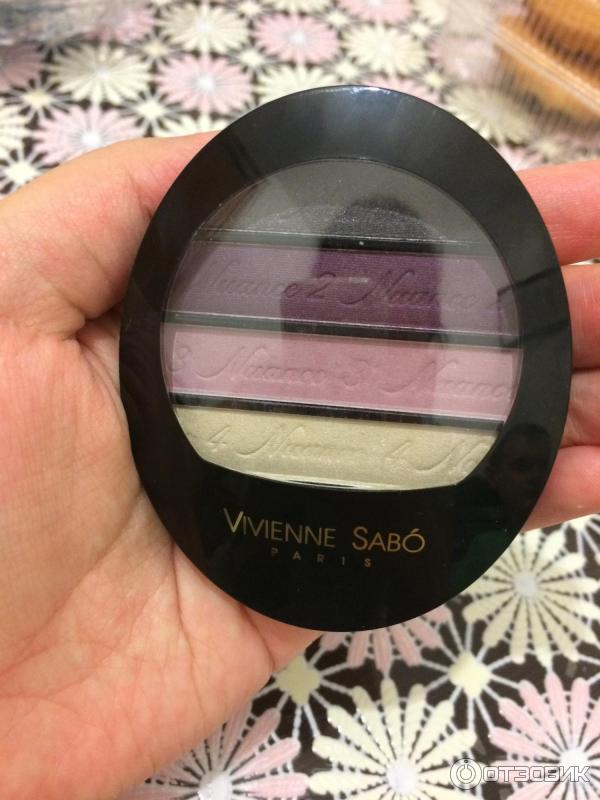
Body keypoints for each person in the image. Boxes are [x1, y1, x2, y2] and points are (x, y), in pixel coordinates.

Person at [0, 133, 598, 800]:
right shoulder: (242, 352)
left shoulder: (455, 371)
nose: (367, 313)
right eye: (332, 294)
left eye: (411, 305)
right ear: (298, 292)